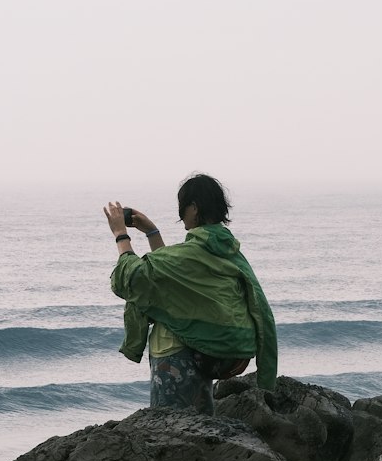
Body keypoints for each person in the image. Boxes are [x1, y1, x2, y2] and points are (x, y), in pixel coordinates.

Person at [104, 173, 277, 414]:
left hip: (177, 354)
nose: (180, 215)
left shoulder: (192, 254)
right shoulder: (227, 251)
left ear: (193, 208)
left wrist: (121, 235)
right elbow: (170, 280)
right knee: (200, 429)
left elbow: (131, 279)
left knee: (169, 431)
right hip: (214, 351)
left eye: (181, 208)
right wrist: (152, 232)